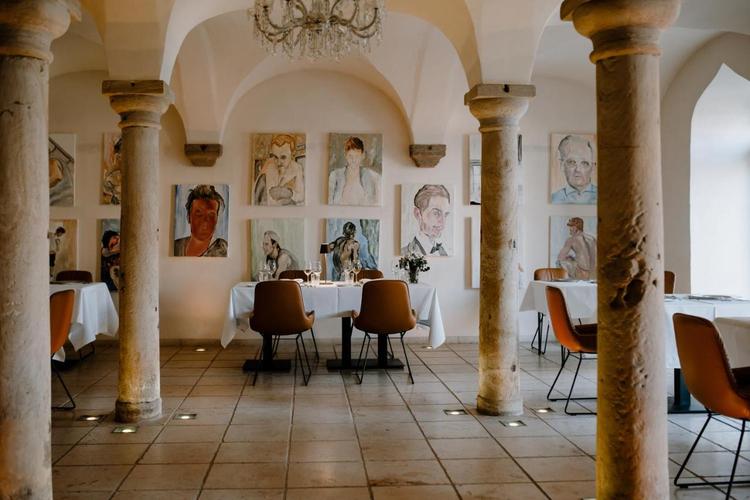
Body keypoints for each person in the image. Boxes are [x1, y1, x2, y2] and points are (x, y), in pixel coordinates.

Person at [174, 184, 228, 257]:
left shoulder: (223, 249)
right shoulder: (175, 247)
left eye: (211, 215)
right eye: (199, 214)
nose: (205, 220)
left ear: (216, 219)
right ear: (188, 217)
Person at [253, 134, 305, 206]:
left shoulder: (297, 168)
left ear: (292, 154)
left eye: (283, 157)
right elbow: (269, 200)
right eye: (275, 157)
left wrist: (290, 193)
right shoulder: (270, 166)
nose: (278, 162)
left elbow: (301, 196)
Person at [328, 136, 381, 206]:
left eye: (357, 156)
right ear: (346, 155)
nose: (353, 160)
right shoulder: (335, 176)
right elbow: (329, 202)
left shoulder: (371, 176)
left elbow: (374, 203)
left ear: (362, 155)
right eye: (350, 156)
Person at [401, 184, 451, 256]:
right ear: (418, 214)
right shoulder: (404, 253)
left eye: (445, 215)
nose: (443, 223)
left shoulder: (444, 252)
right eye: (436, 213)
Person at [551, 135, 597, 204]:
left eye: (584, 163)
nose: (578, 169)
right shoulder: (554, 199)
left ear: (593, 167)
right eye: (571, 162)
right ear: (562, 165)